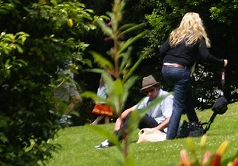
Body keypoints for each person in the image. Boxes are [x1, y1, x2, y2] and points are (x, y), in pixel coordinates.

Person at [159, 12, 227, 141]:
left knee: (187, 98)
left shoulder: (175, 35)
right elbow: (206, 56)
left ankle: (195, 127)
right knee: (178, 106)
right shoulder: (197, 37)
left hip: (166, 69)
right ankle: (170, 137)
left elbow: (161, 51)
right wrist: (221, 62)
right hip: (180, 71)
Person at [96, 75, 173, 148]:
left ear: (157, 87)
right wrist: (119, 119)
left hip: (164, 130)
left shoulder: (166, 97)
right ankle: (115, 138)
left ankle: (113, 140)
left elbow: (170, 119)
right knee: (132, 114)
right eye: (146, 92)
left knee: (137, 115)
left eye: (151, 90)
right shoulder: (147, 100)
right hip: (154, 128)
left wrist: (154, 130)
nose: (149, 94)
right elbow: (130, 110)